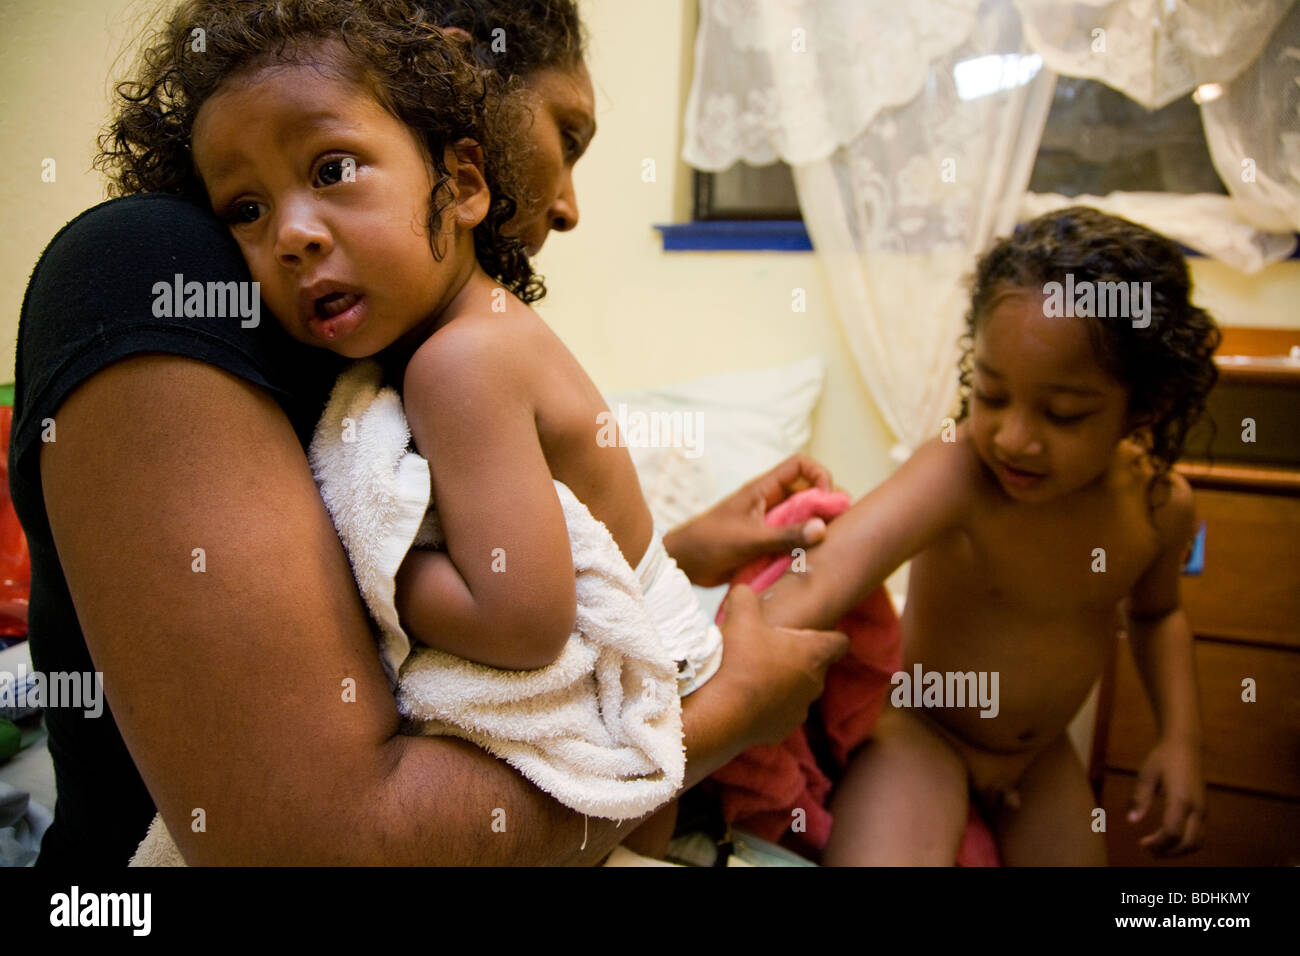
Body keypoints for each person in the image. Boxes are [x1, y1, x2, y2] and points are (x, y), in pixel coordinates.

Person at [10, 0, 846, 866]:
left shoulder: (447, 357)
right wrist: (733, 709)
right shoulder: (161, 271)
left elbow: (527, 603)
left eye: (333, 169)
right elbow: (320, 840)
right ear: (464, 73)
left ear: (463, 173)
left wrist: (387, 571)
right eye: (246, 209)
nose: (566, 206)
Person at [759, 207, 1215, 865]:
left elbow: (1159, 615)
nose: (1013, 438)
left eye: (1062, 414)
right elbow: (828, 573)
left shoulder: (1158, 507)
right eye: (993, 396)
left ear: (1146, 406)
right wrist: (736, 666)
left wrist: (1182, 740)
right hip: (923, 728)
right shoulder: (959, 471)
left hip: (1041, 758)